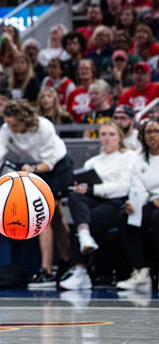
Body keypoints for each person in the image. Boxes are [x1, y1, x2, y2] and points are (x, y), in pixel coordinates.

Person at [0, 101, 73, 288]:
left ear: (25, 120)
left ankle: (47, 270)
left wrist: (33, 169)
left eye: (15, 124)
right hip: (35, 169)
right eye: (8, 123)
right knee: (55, 217)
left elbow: (49, 163)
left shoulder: (44, 127)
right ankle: (66, 262)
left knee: (47, 216)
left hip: (58, 167)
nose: (11, 128)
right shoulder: (6, 129)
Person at [60, 121, 136, 290]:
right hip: (93, 202)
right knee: (74, 196)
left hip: (118, 202)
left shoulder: (129, 157)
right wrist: (82, 188)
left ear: (120, 137)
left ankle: (81, 270)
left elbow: (124, 186)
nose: (107, 138)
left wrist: (94, 189)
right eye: (103, 134)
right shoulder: (93, 162)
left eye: (111, 134)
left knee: (80, 226)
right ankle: (85, 239)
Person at [117, 117, 159, 290]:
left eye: (156, 131)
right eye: (148, 132)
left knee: (158, 218)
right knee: (125, 216)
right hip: (151, 201)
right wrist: (134, 203)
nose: (152, 136)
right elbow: (139, 188)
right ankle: (140, 271)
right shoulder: (138, 160)